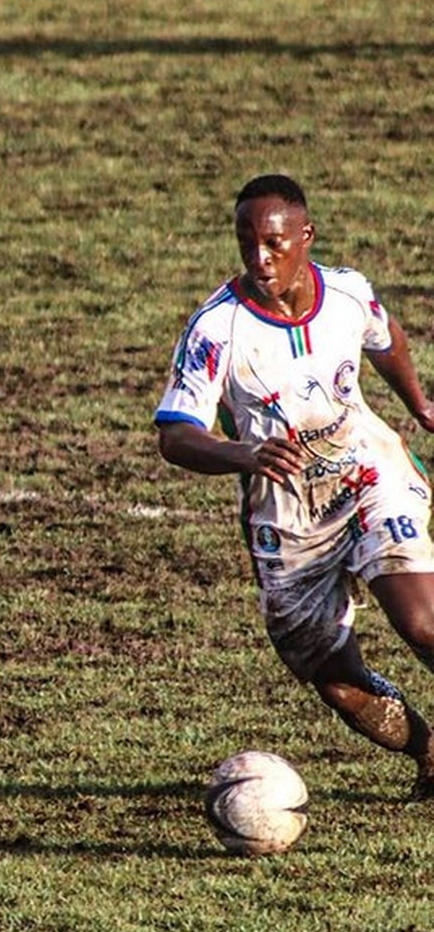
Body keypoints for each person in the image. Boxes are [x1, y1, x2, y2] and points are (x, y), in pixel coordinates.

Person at [155, 173, 434, 801]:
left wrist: (417, 403)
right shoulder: (216, 329)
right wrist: (243, 452)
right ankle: (429, 750)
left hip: (365, 472)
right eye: (247, 244)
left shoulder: (346, 293)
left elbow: (384, 340)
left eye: (275, 244)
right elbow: (174, 434)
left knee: (421, 622)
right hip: (287, 516)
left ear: (305, 236)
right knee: (338, 682)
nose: (261, 259)